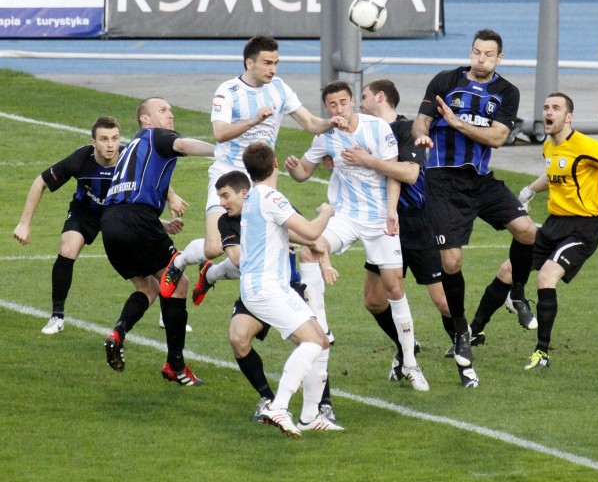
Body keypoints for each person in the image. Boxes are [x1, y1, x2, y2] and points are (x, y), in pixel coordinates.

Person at [160, 35, 347, 299]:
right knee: (214, 247)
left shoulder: (280, 88)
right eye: (267, 63)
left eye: (276, 63)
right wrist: (253, 120)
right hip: (228, 175)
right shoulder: (228, 91)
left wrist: (332, 122)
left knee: (257, 253)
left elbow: (310, 123)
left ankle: (211, 274)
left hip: (261, 181)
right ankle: (179, 263)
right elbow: (220, 132)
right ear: (250, 62)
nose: (273, 69)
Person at [482, 93, 598, 371]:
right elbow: (554, 173)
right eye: (546, 107)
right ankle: (473, 332)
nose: (548, 112)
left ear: (568, 116)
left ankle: (542, 352)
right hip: (553, 224)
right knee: (509, 269)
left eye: (556, 108)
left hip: (583, 227)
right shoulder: (548, 146)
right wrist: (529, 190)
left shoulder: (587, 146)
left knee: (546, 277)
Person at [286, 80, 430, 392]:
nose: (338, 109)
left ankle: (410, 362)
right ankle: (321, 329)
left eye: (342, 102)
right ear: (327, 108)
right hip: (344, 215)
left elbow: (393, 172)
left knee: (394, 287)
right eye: (332, 105)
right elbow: (303, 174)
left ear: (352, 102)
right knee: (310, 250)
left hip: (378, 217)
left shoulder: (378, 128)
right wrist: (294, 168)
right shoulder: (325, 135)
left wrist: (392, 211)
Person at [412, 28, 539, 365]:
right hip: (442, 182)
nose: (481, 59)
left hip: (480, 181)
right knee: (451, 262)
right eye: (476, 53)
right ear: (471, 52)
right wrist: (422, 136)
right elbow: (420, 122)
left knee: (527, 231)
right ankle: (460, 331)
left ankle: (517, 293)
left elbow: (497, 138)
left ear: (499, 58)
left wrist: (456, 124)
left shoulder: (506, 92)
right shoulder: (444, 81)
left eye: (488, 55)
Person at [350, 79, 479, 388]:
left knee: (445, 303)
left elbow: (409, 174)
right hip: (383, 226)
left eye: (364, 97)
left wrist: (369, 161)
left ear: (380, 97)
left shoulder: (409, 131)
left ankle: (466, 362)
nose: (360, 103)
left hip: (418, 224)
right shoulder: (363, 131)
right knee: (374, 300)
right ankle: (406, 348)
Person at [12, 117, 186, 335]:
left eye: (114, 138)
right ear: (93, 142)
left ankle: (167, 309)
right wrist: (24, 223)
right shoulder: (80, 159)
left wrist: (172, 196)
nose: (110, 145)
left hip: (120, 213)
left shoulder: (128, 156)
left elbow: (151, 174)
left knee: (150, 263)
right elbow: (40, 183)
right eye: (104, 139)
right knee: (67, 248)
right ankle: (57, 316)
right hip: (86, 211)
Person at [198, 169, 339, 422]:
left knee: (313, 341)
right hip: (259, 289)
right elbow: (238, 259)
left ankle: (321, 406)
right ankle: (270, 399)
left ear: (244, 193)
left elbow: (313, 240)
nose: (222, 203)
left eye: (226, 196)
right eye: (219, 197)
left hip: (287, 286)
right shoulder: (227, 221)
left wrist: (325, 264)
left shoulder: (272, 204)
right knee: (238, 338)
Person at [101, 97, 214, 386]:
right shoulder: (157, 135)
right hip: (137, 221)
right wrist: (223, 152)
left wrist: (160, 221)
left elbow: (129, 191)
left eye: (171, 110)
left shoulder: (131, 149)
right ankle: (174, 365)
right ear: (145, 120)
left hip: (111, 224)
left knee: (148, 287)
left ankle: (118, 332)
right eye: (163, 110)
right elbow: (184, 145)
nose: (171, 114)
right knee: (179, 282)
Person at [240, 141, 341, 436]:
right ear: (274, 165)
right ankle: (279, 407)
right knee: (311, 343)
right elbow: (311, 229)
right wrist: (327, 211)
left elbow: (291, 234)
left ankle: (310, 417)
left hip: (268, 286)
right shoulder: (271, 197)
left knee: (320, 340)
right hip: (266, 288)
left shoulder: (252, 198)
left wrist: (304, 242)